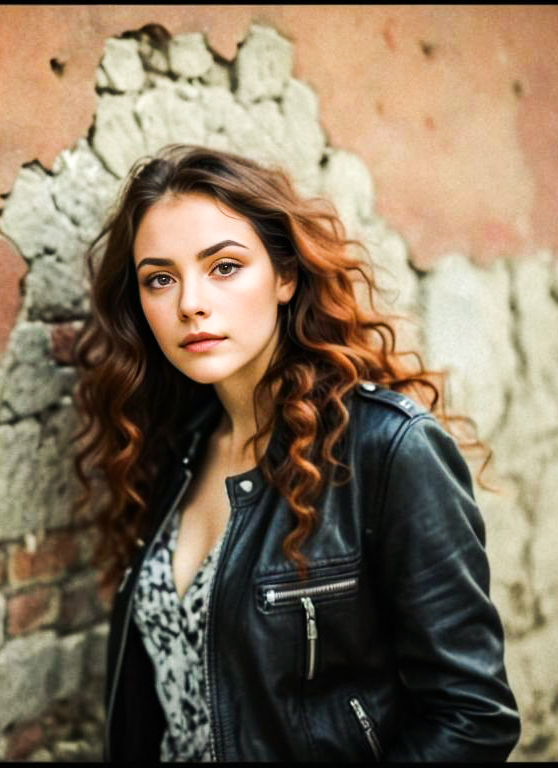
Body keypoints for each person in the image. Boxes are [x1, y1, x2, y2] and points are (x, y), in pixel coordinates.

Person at [71, 144, 521, 761]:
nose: (190, 304)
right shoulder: (176, 450)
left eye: (224, 267)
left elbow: (473, 717)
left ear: (285, 276)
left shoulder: (384, 449)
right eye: (160, 278)